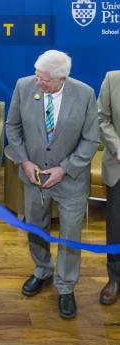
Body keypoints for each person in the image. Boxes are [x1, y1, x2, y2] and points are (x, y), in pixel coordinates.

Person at [5, 50, 99, 319]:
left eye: (44, 80)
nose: (38, 83)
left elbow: (91, 139)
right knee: (36, 227)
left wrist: (66, 169)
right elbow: (12, 127)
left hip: (70, 182)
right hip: (33, 177)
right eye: (37, 75)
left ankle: (66, 287)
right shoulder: (24, 86)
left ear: (62, 78)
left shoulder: (84, 94)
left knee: (70, 235)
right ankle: (42, 271)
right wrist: (24, 161)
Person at [97, 71, 120, 305]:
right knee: (116, 225)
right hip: (118, 166)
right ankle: (114, 278)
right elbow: (102, 118)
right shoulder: (112, 79)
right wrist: (118, 148)